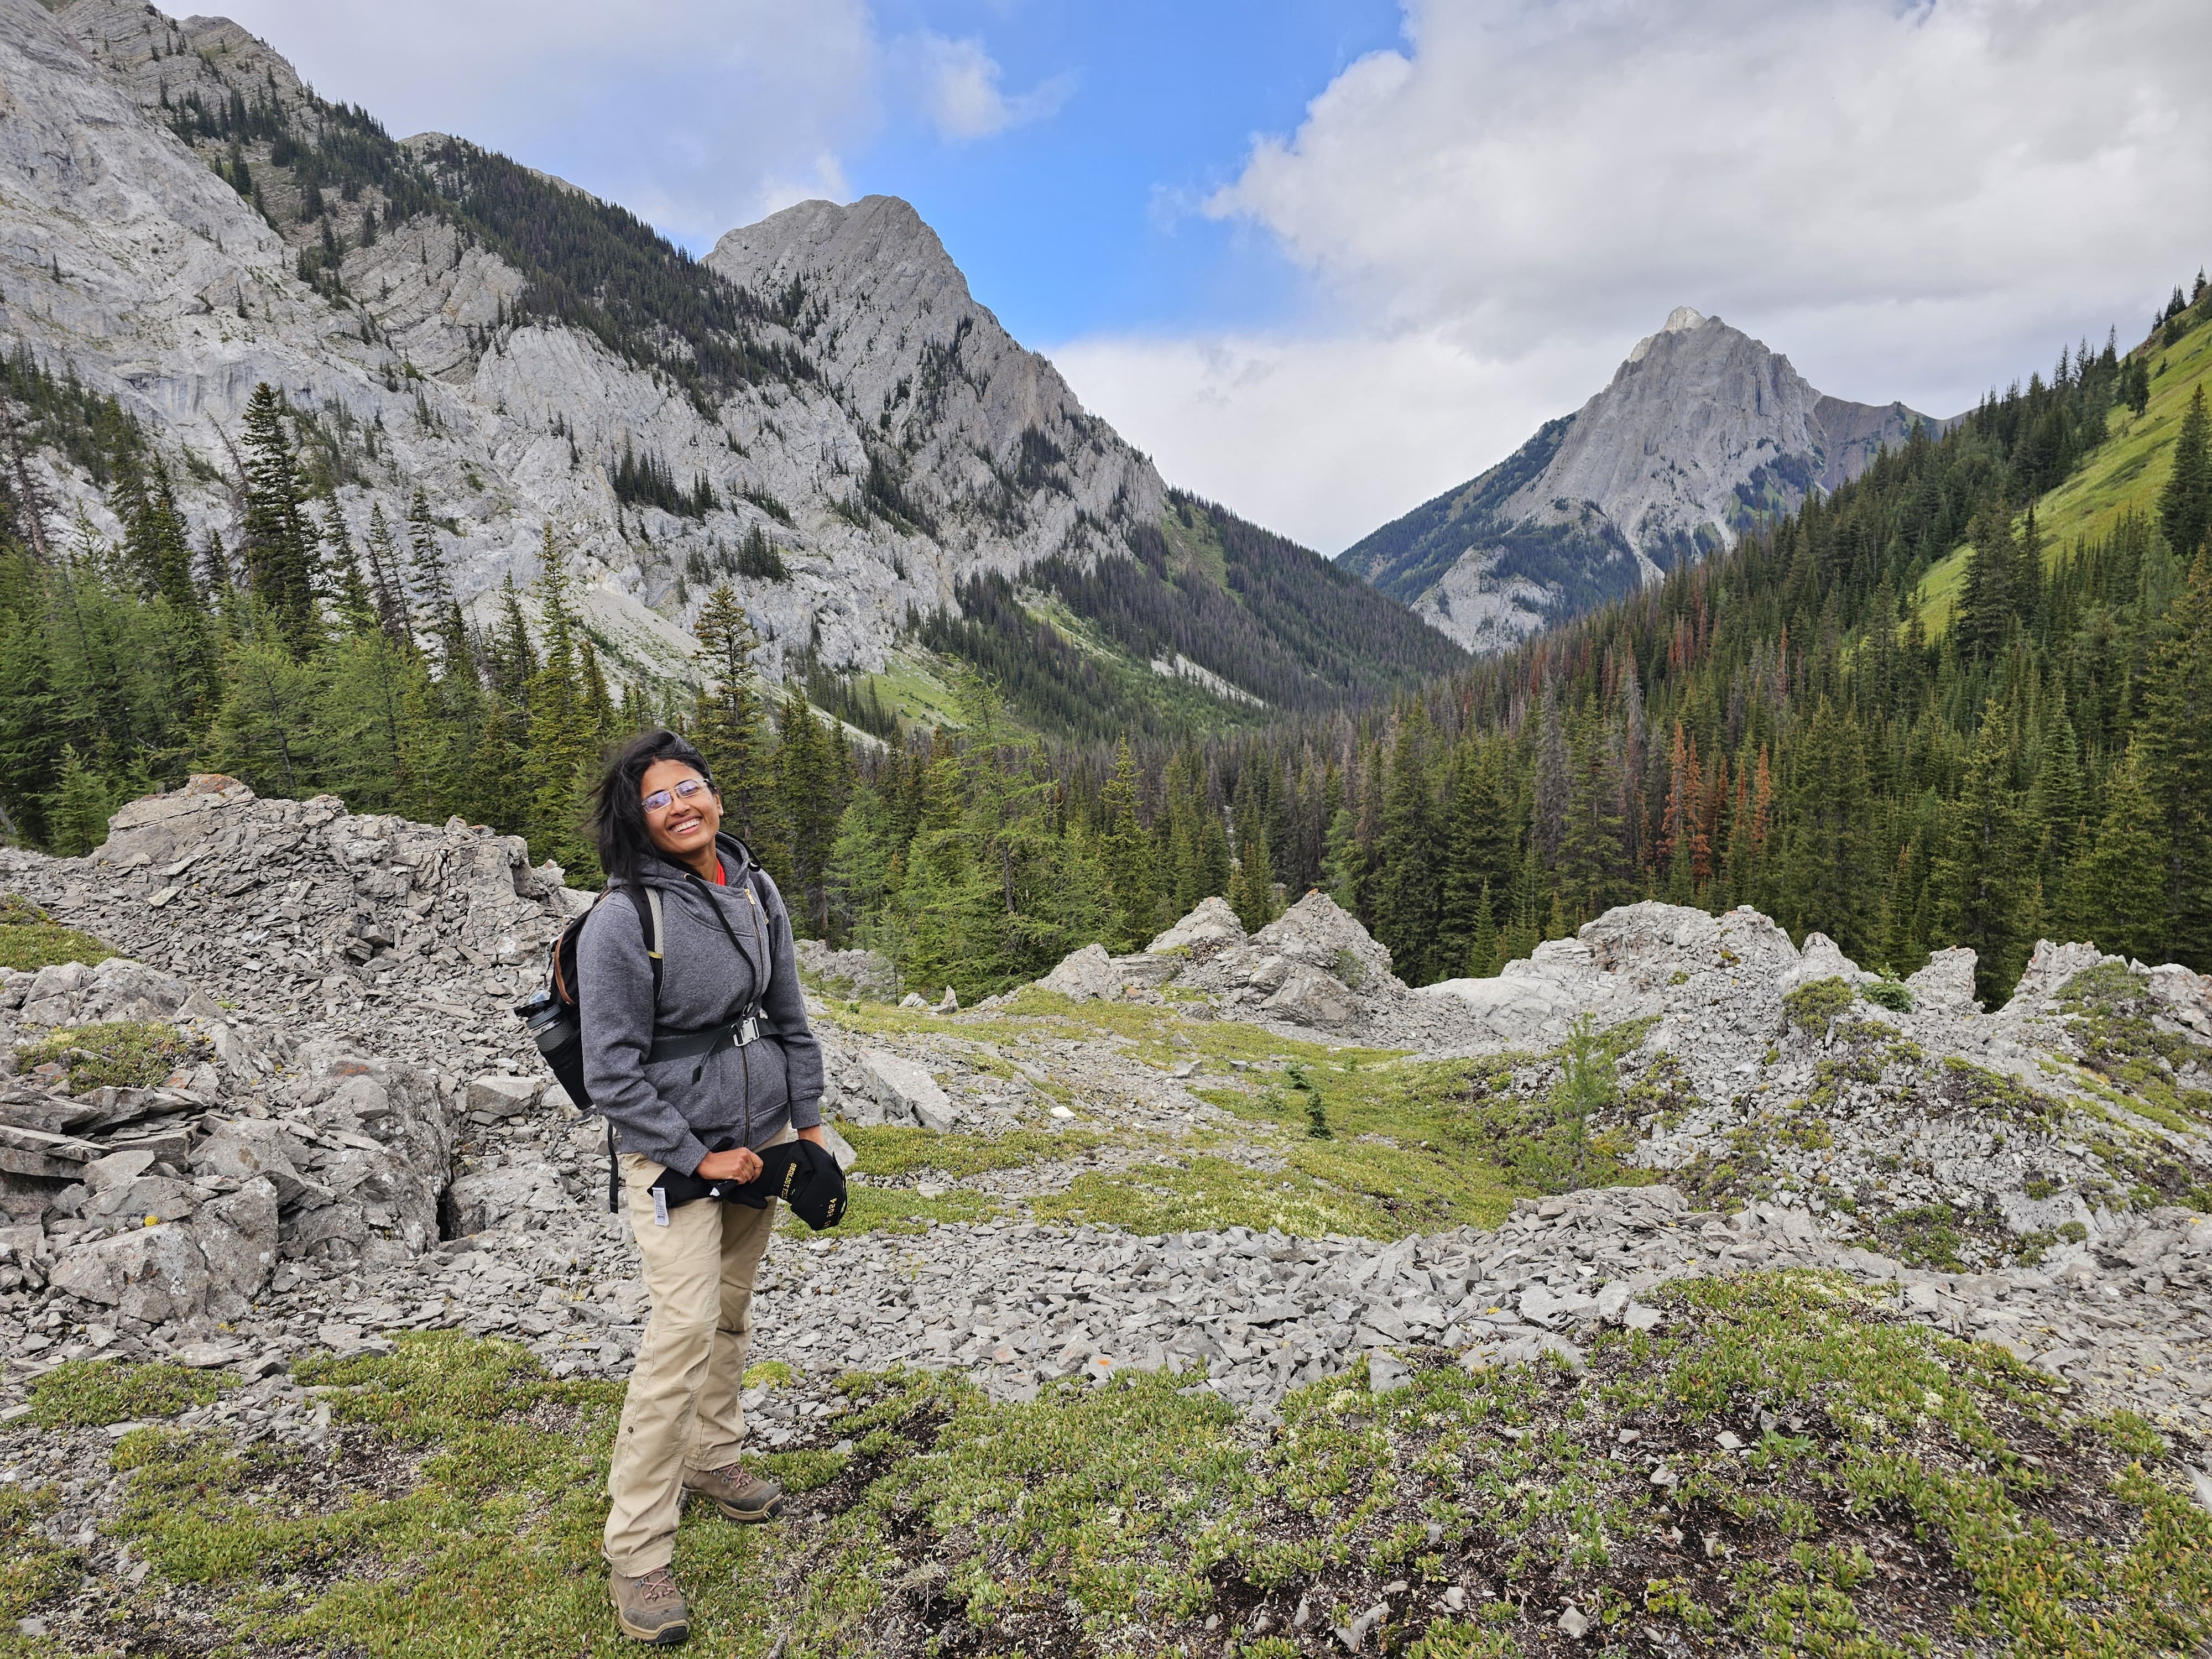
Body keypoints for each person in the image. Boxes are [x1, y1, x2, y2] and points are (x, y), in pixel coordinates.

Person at [579, 727, 827, 1647]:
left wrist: (807, 1132)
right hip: (676, 1159)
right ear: (635, 819)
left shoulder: (755, 888)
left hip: (759, 1143)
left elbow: (790, 1019)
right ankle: (639, 1554)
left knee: (729, 1312)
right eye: (659, 798)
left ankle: (714, 1459)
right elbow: (611, 1074)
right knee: (680, 1332)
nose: (682, 806)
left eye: (693, 788)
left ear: (716, 796)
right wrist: (691, 1156)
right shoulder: (622, 920)